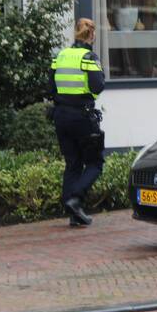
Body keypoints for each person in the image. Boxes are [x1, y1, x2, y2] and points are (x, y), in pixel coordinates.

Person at [50, 18, 106, 227]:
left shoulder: (60, 56)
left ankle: (73, 212)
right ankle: (76, 198)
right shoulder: (89, 57)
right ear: (91, 35)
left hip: (61, 116)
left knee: (72, 163)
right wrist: (86, 98)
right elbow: (97, 86)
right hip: (82, 117)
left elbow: (50, 86)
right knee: (95, 162)